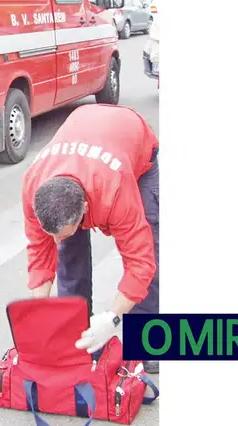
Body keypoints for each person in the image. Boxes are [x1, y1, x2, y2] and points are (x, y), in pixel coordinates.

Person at [21, 104, 160, 373]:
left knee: (150, 246)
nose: (55, 240)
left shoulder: (115, 189)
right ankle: (78, 339)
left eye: (61, 234)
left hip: (133, 144)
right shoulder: (33, 185)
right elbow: (39, 251)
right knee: (69, 258)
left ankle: (145, 343)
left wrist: (112, 318)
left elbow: (140, 263)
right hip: (83, 133)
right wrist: (39, 309)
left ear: (85, 209)